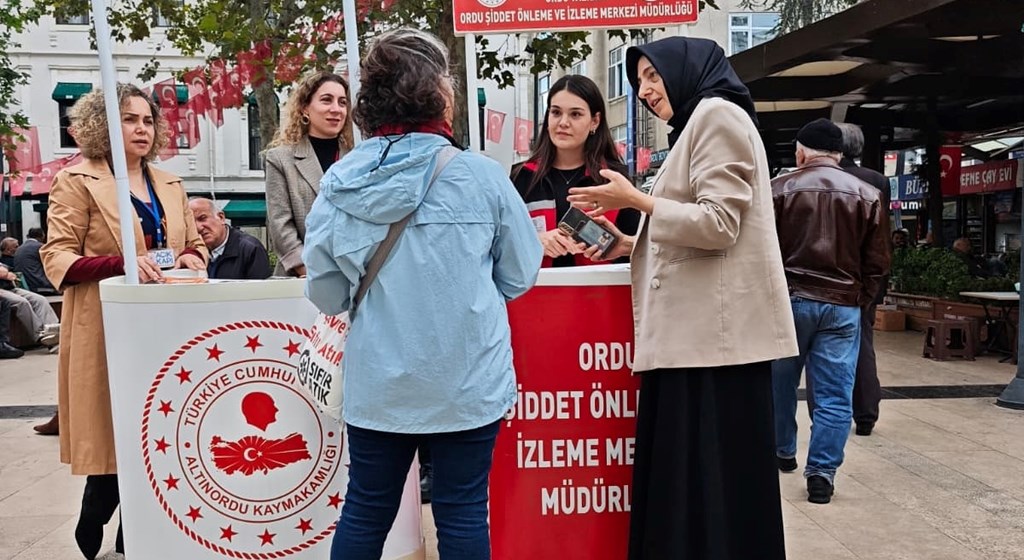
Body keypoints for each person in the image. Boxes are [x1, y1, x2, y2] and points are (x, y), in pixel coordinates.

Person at [303, 28, 542, 560]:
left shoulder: (341, 181)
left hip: (380, 383)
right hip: (468, 378)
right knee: (461, 509)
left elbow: (327, 294)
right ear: (440, 95)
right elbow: (521, 276)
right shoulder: (483, 178)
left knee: (366, 509)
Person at [566, 37, 798, 559]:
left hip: (712, 348)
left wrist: (634, 199)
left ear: (687, 70)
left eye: (653, 76)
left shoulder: (717, 115)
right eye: (639, 80)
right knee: (697, 484)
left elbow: (719, 223)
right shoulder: (700, 122)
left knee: (709, 483)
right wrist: (629, 241)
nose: (645, 90)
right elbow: (695, 226)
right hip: (696, 345)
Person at [41, 83, 208, 560]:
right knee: (117, 426)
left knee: (161, 424)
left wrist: (195, 256)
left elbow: (193, 242)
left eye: (147, 120)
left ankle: (133, 529)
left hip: (168, 323)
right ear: (103, 127)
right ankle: (98, 505)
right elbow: (59, 260)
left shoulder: (170, 183)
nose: (141, 128)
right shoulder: (76, 180)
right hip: (107, 323)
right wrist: (123, 263)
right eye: (128, 119)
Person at [770, 118, 889, 504]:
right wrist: (861, 298)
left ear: (801, 152)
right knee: (835, 394)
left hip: (788, 301)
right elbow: (878, 262)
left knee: (779, 384)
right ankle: (822, 472)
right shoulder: (868, 193)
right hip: (842, 305)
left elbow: (762, 255)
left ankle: (783, 451)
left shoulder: (778, 189)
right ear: (839, 154)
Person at [511, 74, 639, 267]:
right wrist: (536, 241)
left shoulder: (613, 179)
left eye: (575, 114)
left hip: (601, 293)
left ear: (595, 121)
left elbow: (638, 249)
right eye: (555, 112)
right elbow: (500, 244)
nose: (563, 122)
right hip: (537, 294)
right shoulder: (522, 177)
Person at [264, 71, 354, 277]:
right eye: (326, 100)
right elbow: (280, 225)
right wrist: (309, 270)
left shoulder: (360, 156)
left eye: (342, 102)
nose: (336, 109)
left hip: (354, 276)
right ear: (305, 108)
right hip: (301, 278)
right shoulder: (280, 159)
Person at [836, 122, 892, 437]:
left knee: (826, 350)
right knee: (863, 342)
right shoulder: (877, 180)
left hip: (832, 275)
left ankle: (832, 414)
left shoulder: (826, 178)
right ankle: (867, 414)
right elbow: (881, 233)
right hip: (868, 276)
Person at [188, 197, 272, 280]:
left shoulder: (250, 249)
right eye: (191, 223)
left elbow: (261, 290)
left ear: (221, 217)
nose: (198, 227)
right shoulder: (190, 253)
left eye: (203, 218)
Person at [0, 264, 59, 347]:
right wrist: (6, 274)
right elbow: (3, 272)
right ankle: (39, 335)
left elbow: (7, 272)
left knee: (40, 299)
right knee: (21, 302)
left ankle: (54, 331)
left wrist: (6, 274)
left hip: (9, 287)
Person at [15, 228, 57, 294]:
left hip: (26, 284)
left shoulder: (19, 248)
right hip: (40, 285)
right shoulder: (41, 247)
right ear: (43, 236)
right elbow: (53, 264)